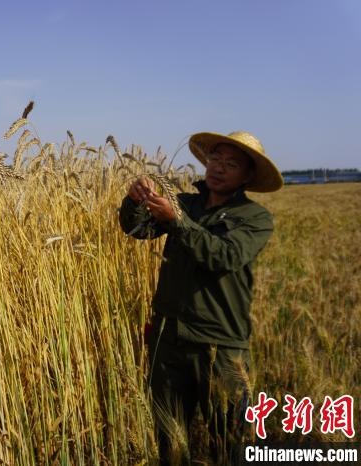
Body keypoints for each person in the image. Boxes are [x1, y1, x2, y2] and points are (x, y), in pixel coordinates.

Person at [117, 131, 283, 465]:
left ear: (248, 176)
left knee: (231, 445)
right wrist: (135, 201)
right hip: (169, 342)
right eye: (216, 160)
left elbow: (224, 256)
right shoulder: (186, 203)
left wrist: (177, 221)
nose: (218, 168)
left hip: (220, 348)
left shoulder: (255, 219)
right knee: (170, 442)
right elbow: (138, 230)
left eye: (231, 164)